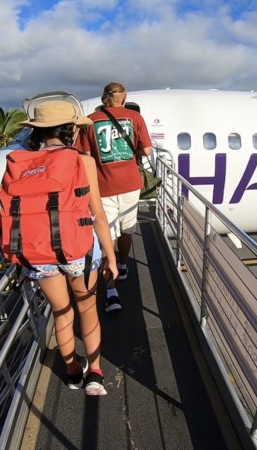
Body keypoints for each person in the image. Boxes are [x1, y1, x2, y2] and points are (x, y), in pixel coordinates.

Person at [18, 100, 119, 396]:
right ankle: (95, 374)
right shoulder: (83, 161)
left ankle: (73, 371)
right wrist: (110, 256)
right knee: (87, 310)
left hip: (38, 252)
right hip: (78, 249)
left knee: (62, 313)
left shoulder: (23, 162)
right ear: (72, 130)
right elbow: (98, 215)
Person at [75, 82, 152, 313]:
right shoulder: (135, 118)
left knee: (106, 237)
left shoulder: (90, 121)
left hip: (102, 187)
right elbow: (147, 150)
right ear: (124, 98)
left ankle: (111, 292)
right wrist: (131, 152)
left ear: (104, 97)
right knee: (128, 229)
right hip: (130, 185)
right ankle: (124, 264)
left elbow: (84, 157)